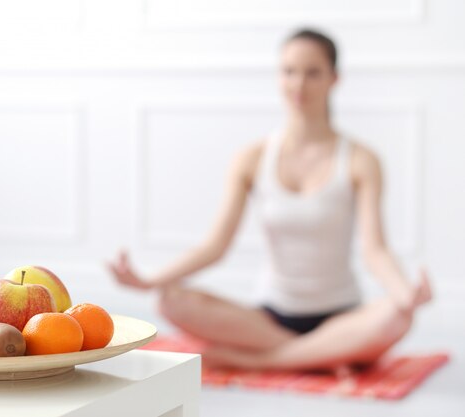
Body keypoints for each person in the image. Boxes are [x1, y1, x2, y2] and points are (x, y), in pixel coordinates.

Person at [107, 28, 432, 373]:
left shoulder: (360, 159)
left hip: (342, 316)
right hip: (269, 319)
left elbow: (375, 250)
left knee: (398, 316)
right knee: (170, 300)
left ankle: (259, 361)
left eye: (313, 72)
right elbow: (215, 246)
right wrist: (149, 280)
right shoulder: (252, 157)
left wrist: (404, 293)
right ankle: (325, 356)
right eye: (289, 71)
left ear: (334, 78)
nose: (299, 84)